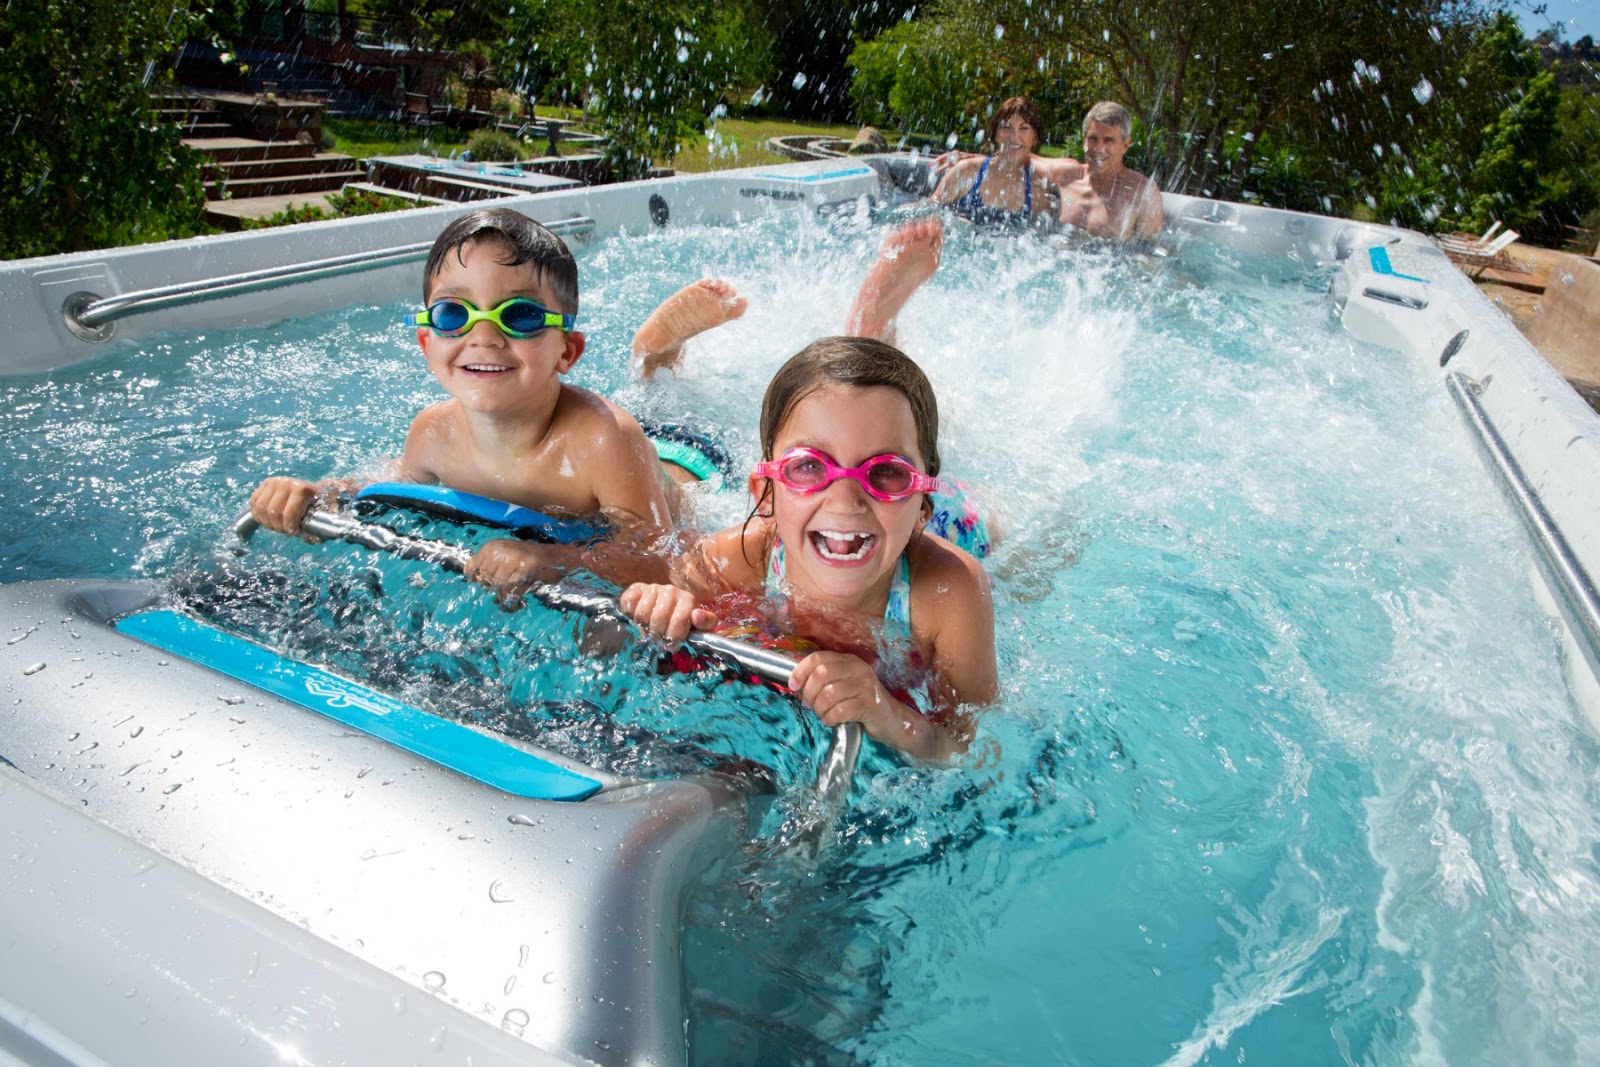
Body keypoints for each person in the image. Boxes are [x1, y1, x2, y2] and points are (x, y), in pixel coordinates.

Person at [249, 206, 680, 590]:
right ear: (426, 344)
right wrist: (317, 494)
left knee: (664, 428)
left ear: (566, 352)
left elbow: (659, 557)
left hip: (673, 466)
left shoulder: (604, 439)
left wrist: (554, 561)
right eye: (454, 313)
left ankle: (656, 360)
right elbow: (387, 486)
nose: (485, 337)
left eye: (521, 316)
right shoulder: (433, 431)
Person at [619, 336, 999, 760]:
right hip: (889, 518)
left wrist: (889, 716)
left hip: (955, 524)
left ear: (922, 508)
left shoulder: (948, 592)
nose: (845, 500)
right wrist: (661, 606)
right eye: (808, 466)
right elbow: (636, 648)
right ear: (766, 495)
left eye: (888, 470)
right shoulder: (729, 562)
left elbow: (973, 749)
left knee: (1013, 548)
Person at [933, 99, 1163, 241]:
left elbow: (1151, 254)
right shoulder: (1067, 174)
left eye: (1109, 140)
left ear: (1126, 144)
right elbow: (1018, 152)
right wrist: (973, 159)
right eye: (1092, 139)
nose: (1098, 149)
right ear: (1084, 139)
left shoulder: (1142, 192)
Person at [929, 96, 1054, 229]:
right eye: (1006, 127)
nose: (1014, 136)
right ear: (995, 133)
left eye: (1024, 128)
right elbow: (927, 211)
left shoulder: (1037, 192)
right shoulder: (967, 171)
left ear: (1035, 137)